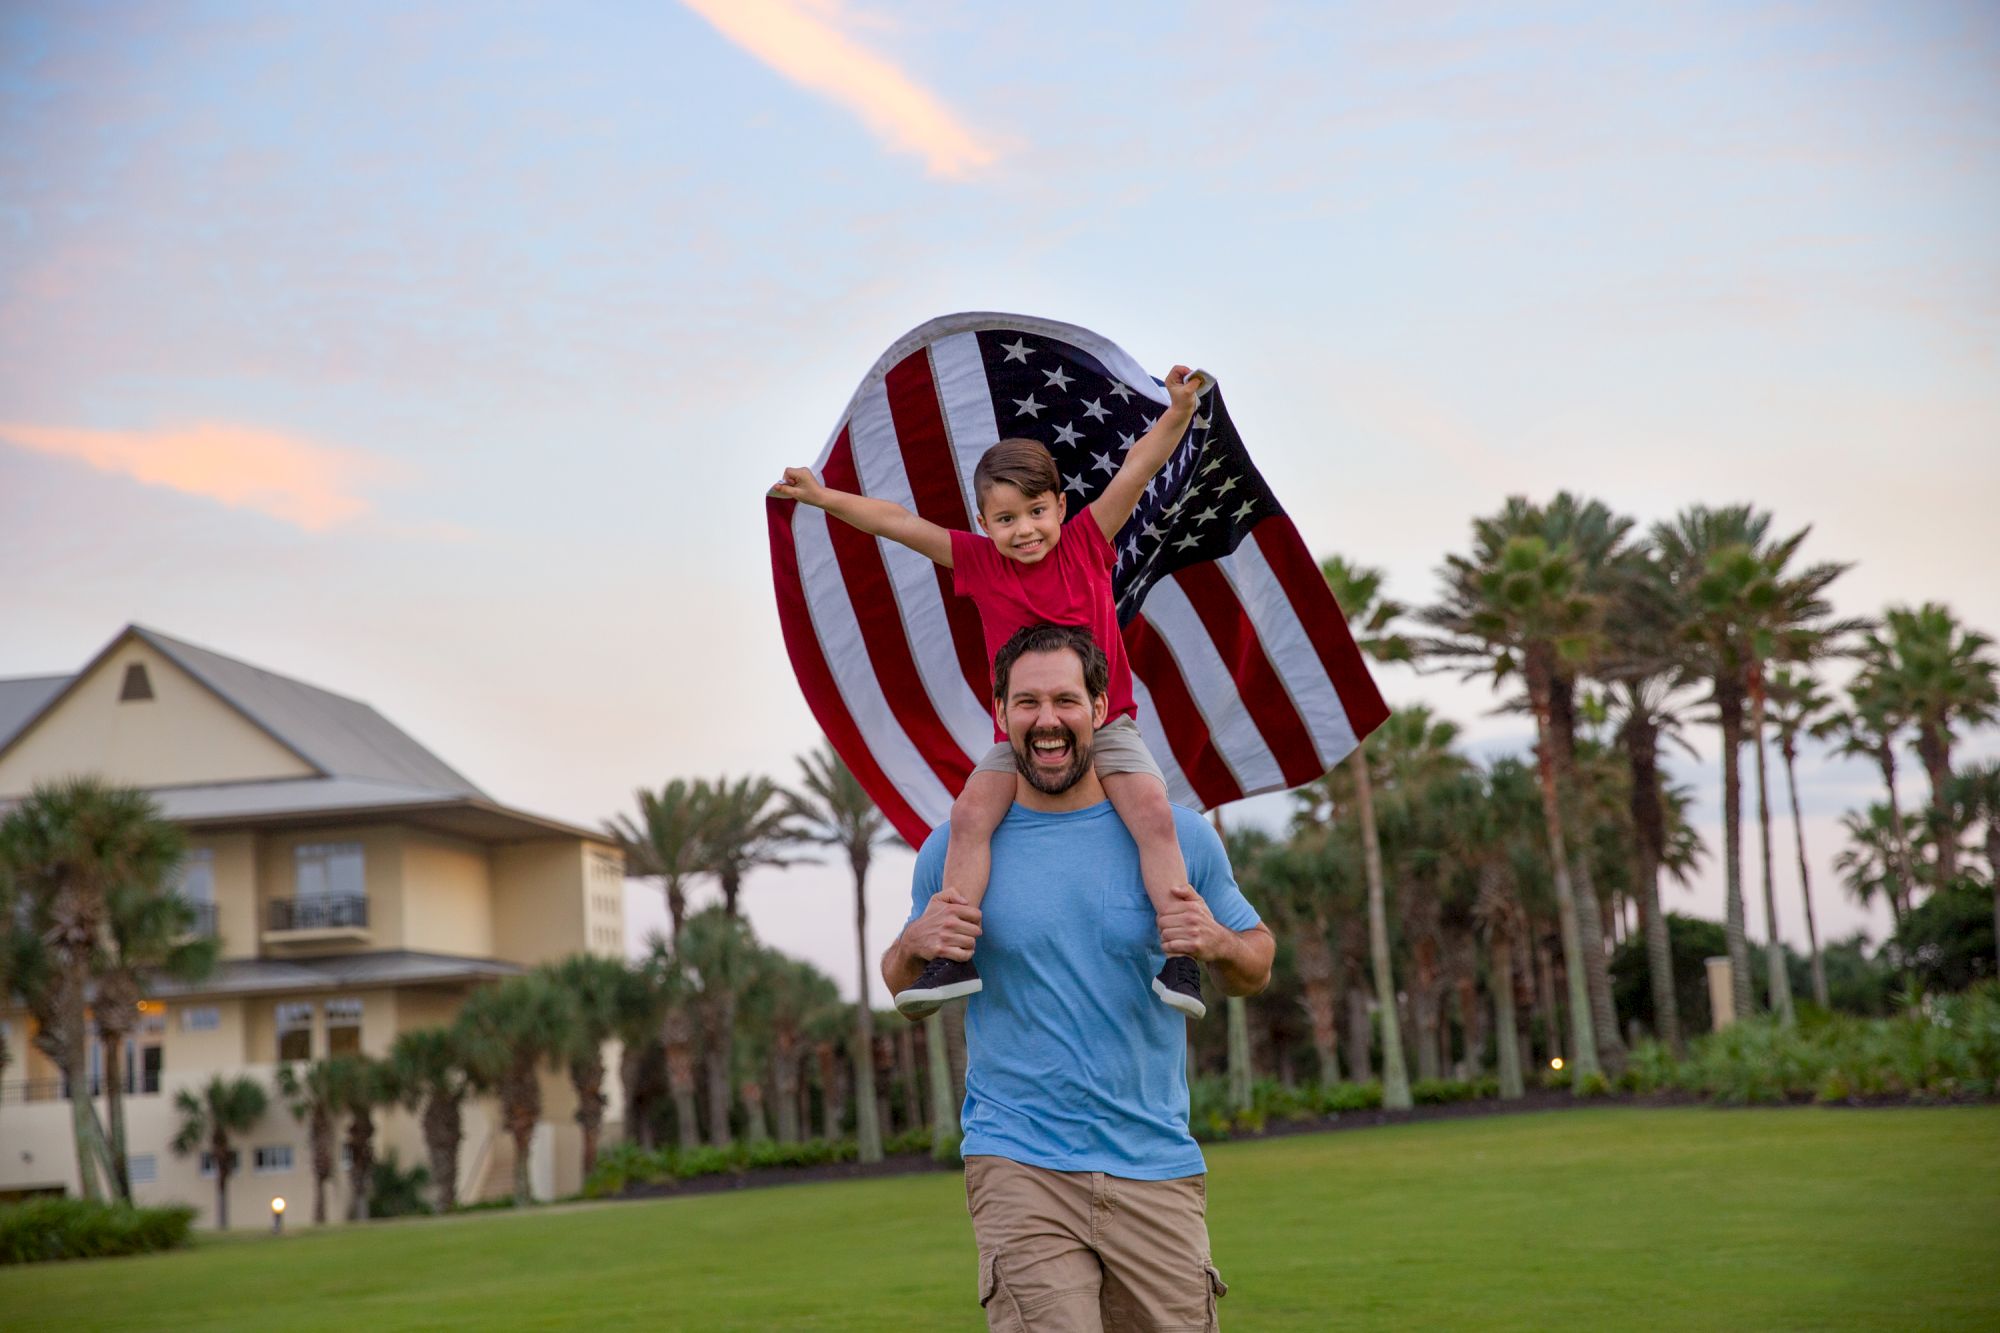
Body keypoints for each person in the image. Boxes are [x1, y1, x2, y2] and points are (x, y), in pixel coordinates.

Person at [771, 365, 1207, 1019]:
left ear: (1061, 506)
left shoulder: (1087, 543)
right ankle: (955, 951)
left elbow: (1138, 468)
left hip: (1107, 723)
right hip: (1019, 739)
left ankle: (1182, 953)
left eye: (1037, 511)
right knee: (970, 817)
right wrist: (825, 496)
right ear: (983, 521)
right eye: (1006, 518)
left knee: (1152, 811)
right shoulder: (978, 561)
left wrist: (1176, 411)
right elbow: (896, 523)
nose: (1025, 529)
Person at [882, 623, 1273, 1331]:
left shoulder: (1179, 838)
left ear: (1099, 708)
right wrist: (914, 942)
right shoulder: (955, 848)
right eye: (1026, 702)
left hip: (1153, 1160)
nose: (1047, 719)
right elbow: (902, 986)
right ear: (1001, 715)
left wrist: (1216, 941)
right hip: (1019, 1161)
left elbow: (1257, 960)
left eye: (1065, 698)